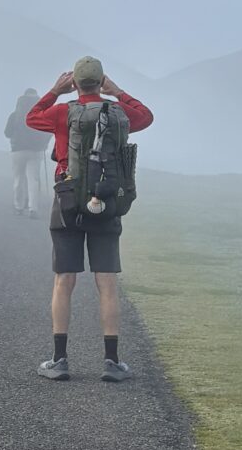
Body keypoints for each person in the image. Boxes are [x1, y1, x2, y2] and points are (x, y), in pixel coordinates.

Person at [24, 58, 153, 382]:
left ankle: (59, 360)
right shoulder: (118, 113)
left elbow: (31, 117)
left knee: (64, 280)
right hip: (106, 202)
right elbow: (146, 116)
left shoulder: (62, 113)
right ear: (101, 81)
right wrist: (117, 92)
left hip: (67, 202)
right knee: (106, 282)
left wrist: (55, 91)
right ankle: (111, 362)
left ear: (75, 84)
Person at [4, 88, 46, 213]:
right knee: (33, 179)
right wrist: (44, 144)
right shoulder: (41, 114)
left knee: (19, 179)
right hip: (36, 151)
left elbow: (7, 133)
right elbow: (47, 131)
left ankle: (19, 206)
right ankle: (33, 208)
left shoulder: (15, 115)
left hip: (18, 150)